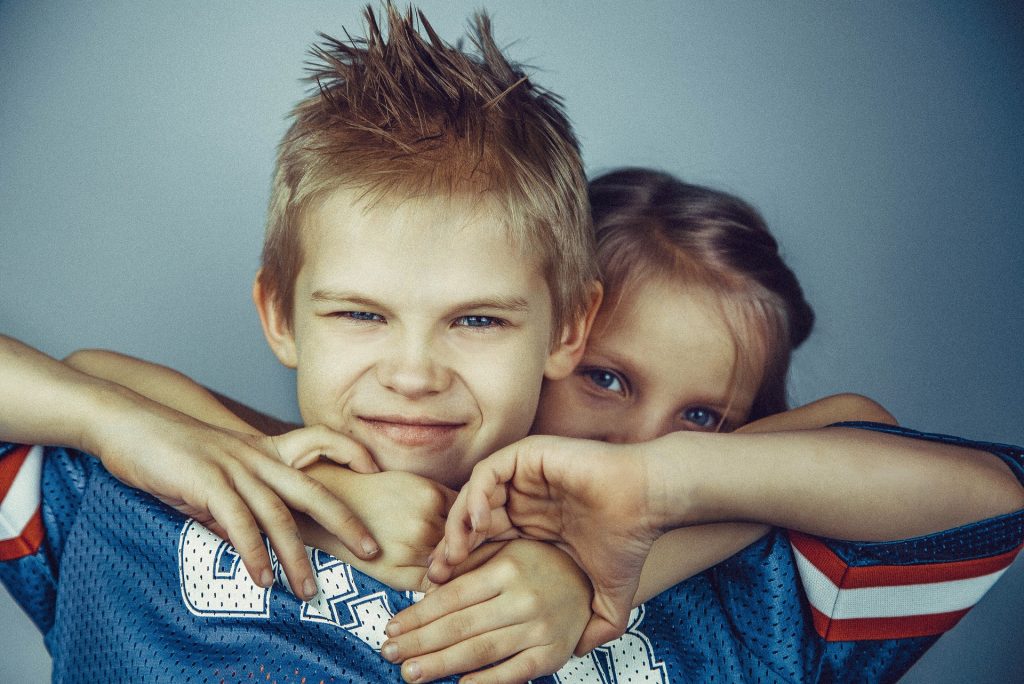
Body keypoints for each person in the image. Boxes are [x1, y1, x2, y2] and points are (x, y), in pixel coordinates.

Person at [59, 170, 1024, 683]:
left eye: (704, 421)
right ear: (554, 346)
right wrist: (344, 491)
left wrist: (648, 517)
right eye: (604, 379)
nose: (639, 443)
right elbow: (102, 382)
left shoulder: (749, 576)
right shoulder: (340, 478)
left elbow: (960, 480)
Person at [0, 5, 603, 680]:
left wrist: (598, 574)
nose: (413, 375)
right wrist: (111, 420)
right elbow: (80, 380)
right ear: (280, 315)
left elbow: (743, 476)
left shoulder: (624, 566)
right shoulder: (130, 504)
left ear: (569, 328)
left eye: (478, 321)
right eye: (360, 315)